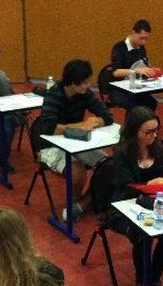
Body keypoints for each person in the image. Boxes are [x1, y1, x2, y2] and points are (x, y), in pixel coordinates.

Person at [110, 106, 163, 286]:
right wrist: (150, 184)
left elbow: (162, 175)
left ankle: (153, 279)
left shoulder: (157, 148)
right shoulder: (122, 153)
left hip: (152, 202)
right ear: (134, 131)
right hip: (125, 204)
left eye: (156, 131)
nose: (154, 136)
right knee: (142, 235)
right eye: (148, 132)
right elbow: (126, 186)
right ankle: (143, 281)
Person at [38, 59, 114, 220]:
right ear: (72, 83)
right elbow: (49, 129)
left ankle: (79, 206)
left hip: (77, 142)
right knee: (77, 171)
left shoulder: (84, 94)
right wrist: (82, 125)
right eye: (84, 83)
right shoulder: (54, 95)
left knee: (108, 166)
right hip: (50, 146)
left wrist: (95, 121)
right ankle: (79, 203)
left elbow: (107, 116)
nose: (88, 86)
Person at [109, 19, 158, 110]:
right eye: (141, 38)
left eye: (146, 38)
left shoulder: (141, 47)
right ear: (133, 32)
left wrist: (150, 69)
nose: (144, 42)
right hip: (120, 89)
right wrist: (134, 71)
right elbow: (115, 72)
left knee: (152, 103)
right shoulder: (119, 47)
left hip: (136, 86)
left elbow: (145, 63)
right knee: (135, 106)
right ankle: (133, 123)